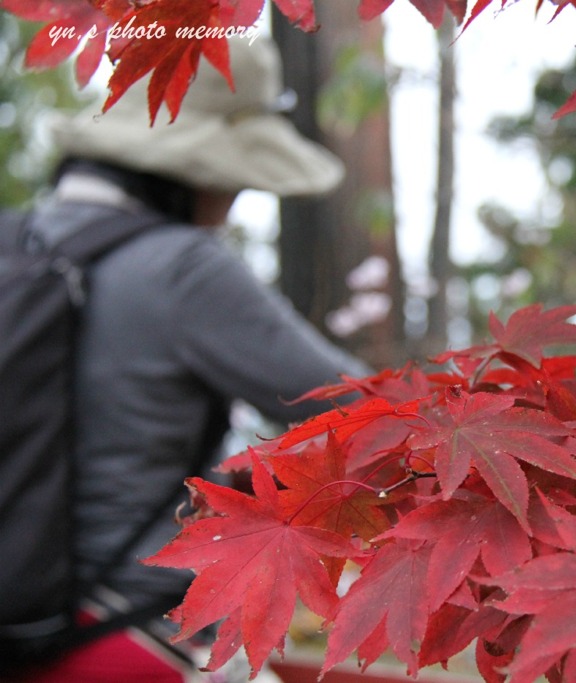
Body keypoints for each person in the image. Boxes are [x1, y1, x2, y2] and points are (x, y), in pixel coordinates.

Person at [10, 35, 372, 682]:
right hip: (133, 637)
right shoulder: (181, 268)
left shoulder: (17, 244)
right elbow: (359, 404)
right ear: (193, 173)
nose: (234, 202)